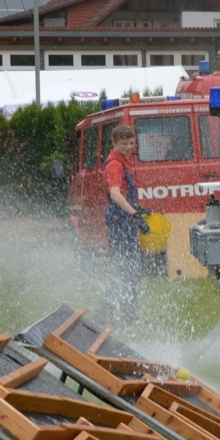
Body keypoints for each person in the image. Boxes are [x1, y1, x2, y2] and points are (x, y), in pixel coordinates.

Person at [100, 124, 153, 323]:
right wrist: (134, 215)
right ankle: (109, 312)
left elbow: (123, 194)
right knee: (127, 268)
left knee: (129, 269)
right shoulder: (115, 165)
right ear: (114, 143)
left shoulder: (123, 161)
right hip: (120, 221)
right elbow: (115, 194)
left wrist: (137, 208)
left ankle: (124, 313)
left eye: (131, 143)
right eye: (124, 144)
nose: (129, 147)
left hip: (123, 217)